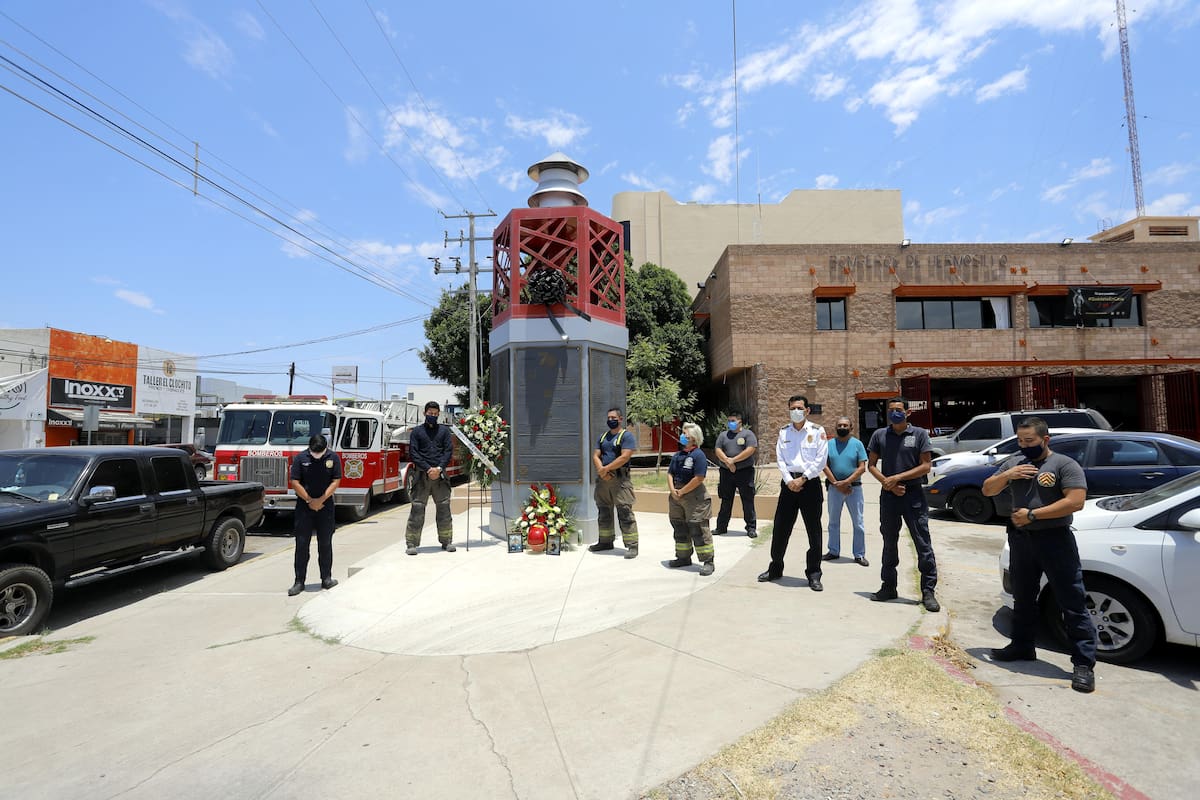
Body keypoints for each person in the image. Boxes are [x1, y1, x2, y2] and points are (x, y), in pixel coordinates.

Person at [981, 417, 1096, 693]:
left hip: (1054, 539)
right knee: (1023, 597)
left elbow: (1075, 501)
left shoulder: (1064, 465)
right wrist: (1007, 476)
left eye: (1030, 441)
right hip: (1021, 541)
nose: (1025, 446)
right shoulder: (1015, 463)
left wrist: (1032, 515)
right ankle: (1022, 646)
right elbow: (987, 489)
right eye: (1021, 441)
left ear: (1045, 440)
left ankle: (1083, 663)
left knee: (1071, 599)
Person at [866, 397, 939, 611]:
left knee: (922, 542)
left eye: (898, 410)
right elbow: (871, 465)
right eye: (891, 410)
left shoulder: (919, 434)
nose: (894, 413)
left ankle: (928, 591)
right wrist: (887, 483)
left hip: (913, 494)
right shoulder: (880, 435)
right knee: (889, 542)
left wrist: (897, 478)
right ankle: (888, 586)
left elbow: (926, 466)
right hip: (888, 495)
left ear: (907, 413)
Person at [758, 395, 828, 591]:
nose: (795, 411)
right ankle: (775, 568)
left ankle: (814, 574)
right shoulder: (784, 432)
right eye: (792, 408)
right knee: (780, 528)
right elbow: (780, 458)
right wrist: (789, 480)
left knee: (813, 531)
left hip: (810, 485)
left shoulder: (817, 431)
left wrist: (803, 478)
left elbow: (821, 460)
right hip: (788, 486)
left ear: (807, 411)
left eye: (799, 408)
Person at [288, 434, 341, 596]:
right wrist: (310, 500)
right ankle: (299, 581)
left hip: (325, 507)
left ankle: (326, 578)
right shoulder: (300, 458)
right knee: (302, 545)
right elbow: (294, 481)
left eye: (319, 453)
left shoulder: (333, 457)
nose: (316, 456)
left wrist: (321, 499)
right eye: (314, 453)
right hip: (304, 507)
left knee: (325, 543)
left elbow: (336, 480)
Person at [405, 401, 455, 555]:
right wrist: (428, 469)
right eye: (430, 413)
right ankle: (412, 544)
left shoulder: (445, 432)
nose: (432, 416)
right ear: (424, 413)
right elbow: (414, 453)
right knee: (417, 509)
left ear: (438, 414)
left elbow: (448, 451)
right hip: (422, 476)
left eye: (435, 413)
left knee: (444, 509)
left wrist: (439, 468)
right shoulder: (417, 432)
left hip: (440, 477)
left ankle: (447, 541)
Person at [590, 407, 639, 558]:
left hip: (620, 481)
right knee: (604, 511)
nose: (610, 420)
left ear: (620, 419)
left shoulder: (627, 436)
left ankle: (632, 546)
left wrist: (606, 469)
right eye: (609, 417)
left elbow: (625, 457)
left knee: (625, 512)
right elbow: (595, 455)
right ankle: (605, 541)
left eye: (613, 418)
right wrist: (602, 470)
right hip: (604, 482)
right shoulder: (603, 437)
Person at [667, 422, 715, 575]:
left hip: (695, 497)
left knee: (698, 528)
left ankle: (708, 561)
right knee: (679, 526)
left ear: (694, 438)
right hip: (676, 496)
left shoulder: (698, 455)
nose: (683, 436)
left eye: (686, 434)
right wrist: (673, 490)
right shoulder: (678, 455)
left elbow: (699, 477)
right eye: (683, 433)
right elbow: (670, 473)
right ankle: (683, 557)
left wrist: (683, 491)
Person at [822, 416, 869, 566]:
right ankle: (833, 551)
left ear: (851, 428)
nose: (842, 427)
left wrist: (847, 482)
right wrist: (836, 483)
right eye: (840, 425)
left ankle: (859, 554)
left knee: (858, 523)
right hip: (834, 489)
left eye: (845, 425)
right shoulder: (829, 444)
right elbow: (824, 465)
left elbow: (862, 467)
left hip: (854, 489)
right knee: (833, 522)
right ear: (835, 427)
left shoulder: (857, 444)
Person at [713, 409, 758, 538]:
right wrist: (728, 462)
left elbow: (750, 449)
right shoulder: (723, 435)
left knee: (747, 500)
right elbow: (718, 449)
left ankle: (751, 528)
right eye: (729, 421)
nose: (730, 423)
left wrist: (734, 460)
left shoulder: (748, 434)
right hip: (726, 472)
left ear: (740, 421)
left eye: (733, 421)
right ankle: (721, 527)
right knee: (726, 500)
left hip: (745, 472)